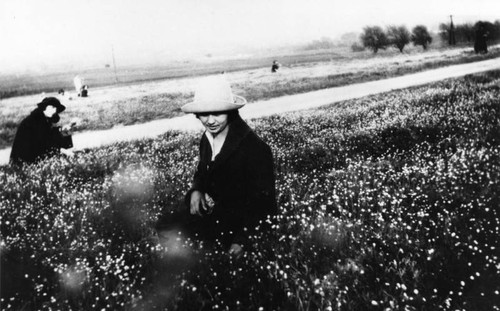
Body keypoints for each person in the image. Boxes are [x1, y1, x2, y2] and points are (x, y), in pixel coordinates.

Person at [156, 75, 277, 258]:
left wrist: (242, 240)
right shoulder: (207, 138)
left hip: (241, 224)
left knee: (212, 256)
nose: (210, 121)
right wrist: (197, 189)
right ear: (197, 114)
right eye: (204, 114)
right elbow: (202, 171)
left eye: (217, 113)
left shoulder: (255, 148)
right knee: (165, 224)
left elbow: (263, 204)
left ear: (230, 112)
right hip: (214, 214)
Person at [10, 97, 73, 166]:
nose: (54, 110)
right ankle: (64, 153)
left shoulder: (43, 118)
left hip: (36, 149)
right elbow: (43, 142)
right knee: (61, 132)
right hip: (26, 157)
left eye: (56, 108)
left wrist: (65, 128)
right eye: (52, 107)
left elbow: (49, 134)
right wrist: (61, 150)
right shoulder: (35, 120)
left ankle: (68, 152)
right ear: (44, 107)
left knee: (64, 130)